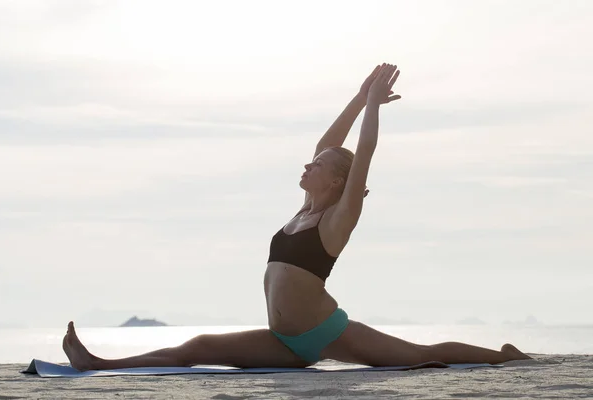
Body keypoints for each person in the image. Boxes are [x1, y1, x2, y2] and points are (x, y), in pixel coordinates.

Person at [63, 63, 531, 371]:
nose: (308, 164)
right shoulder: (301, 213)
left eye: (318, 165)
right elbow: (330, 142)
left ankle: (501, 358)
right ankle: (98, 364)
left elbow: (361, 150)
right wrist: (358, 94)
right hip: (283, 342)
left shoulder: (339, 217)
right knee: (199, 347)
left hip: (327, 333)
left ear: (335, 182)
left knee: (419, 358)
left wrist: (372, 104)